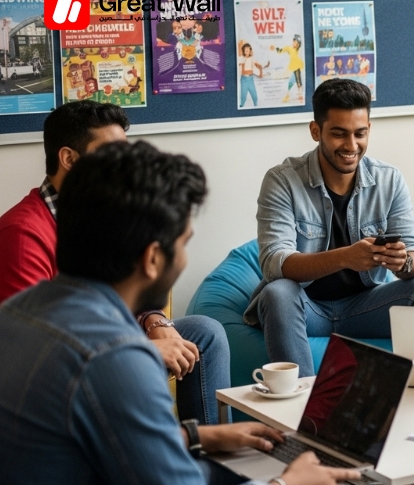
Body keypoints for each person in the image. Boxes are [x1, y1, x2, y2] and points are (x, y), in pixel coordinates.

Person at [0, 140, 359, 485]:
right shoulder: (115, 357)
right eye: (184, 243)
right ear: (153, 258)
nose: (185, 259)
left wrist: (194, 435)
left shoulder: (19, 311)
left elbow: (91, 433)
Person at [0, 101, 232, 426]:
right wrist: (143, 350)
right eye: (112, 155)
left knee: (204, 333)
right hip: (70, 365)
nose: (124, 168)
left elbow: (128, 289)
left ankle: (209, 455)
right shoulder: (23, 234)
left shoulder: (102, 215)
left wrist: (155, 323)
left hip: (113, 334)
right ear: (69, 159)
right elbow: (34, 351)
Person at [247, 78, 414, 378]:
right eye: (339, 134)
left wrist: (404, 261)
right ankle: (303, 410)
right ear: (316, 131)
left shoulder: (389, 179)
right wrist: (345, 257)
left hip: (365, 307)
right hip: (306, 309)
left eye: (360, 133)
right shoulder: (282, 180)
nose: (351, 146)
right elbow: (275, 264)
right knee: (277, 293)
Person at [271, 35, 304, 103]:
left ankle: (300, 96)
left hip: (297, 68)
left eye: (296, 42)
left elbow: (300, 46)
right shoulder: (289, 48)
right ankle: (288, 95)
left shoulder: (298, 50)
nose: (294, 43)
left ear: (298, 44)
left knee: (298, 83)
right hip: (293, 69)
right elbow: (280, 51)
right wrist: (275, 48)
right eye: (294, 42)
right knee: (290, 82)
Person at [238, 42, 265, 108]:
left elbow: (258, 65)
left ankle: (256, 106)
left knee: (254, 96)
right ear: (243, 51)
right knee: (243, 96)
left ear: (250, 50)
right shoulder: (241, 58)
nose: (247, 51)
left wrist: (260, 70)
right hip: (244, 79)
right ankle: (241, 106)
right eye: (245, 50)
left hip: (250, 79)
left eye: (248, 49)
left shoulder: (252, 58)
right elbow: (242, 68)